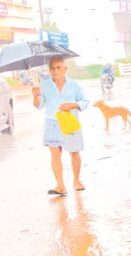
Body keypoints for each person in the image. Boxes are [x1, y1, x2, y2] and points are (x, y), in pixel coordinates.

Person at [32, 56, 89, 196]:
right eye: (52, 68)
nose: (55, 71)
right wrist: (35, 96)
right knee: (55, 153)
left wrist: (73, 105)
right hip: (52, 122)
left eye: (58, 68)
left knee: (74, 151)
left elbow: (85, 101)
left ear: (65, 69)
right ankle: (60, 185)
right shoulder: (44, 84)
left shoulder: (74, 85)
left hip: (68, 120)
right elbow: (39, 106)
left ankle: (76, 180)